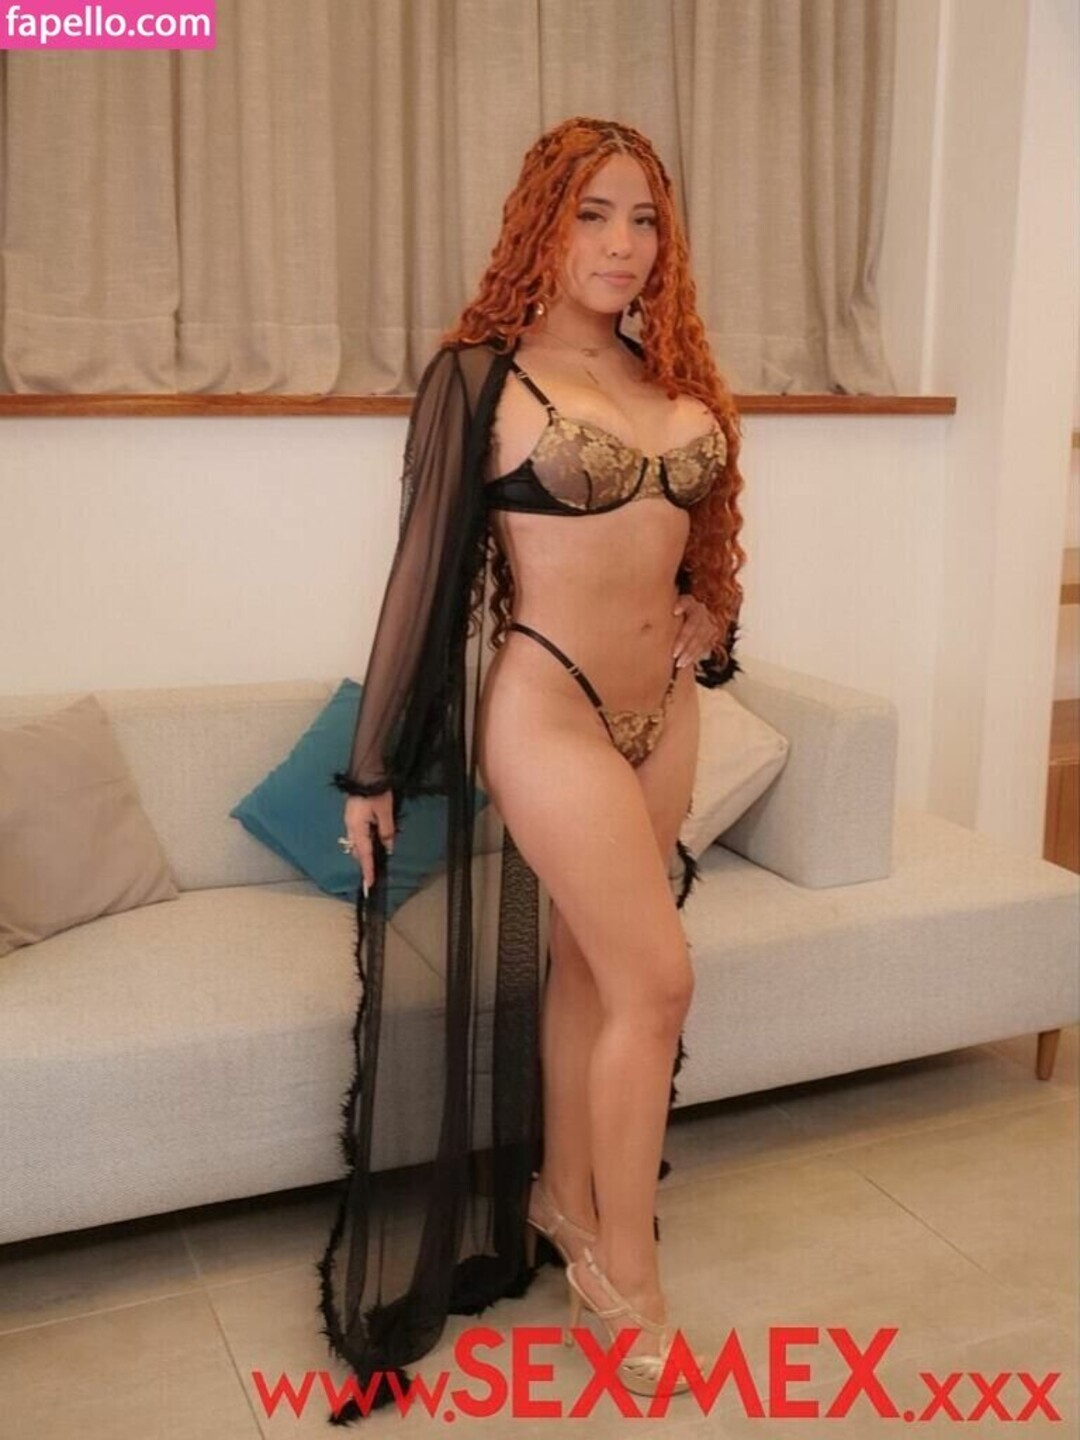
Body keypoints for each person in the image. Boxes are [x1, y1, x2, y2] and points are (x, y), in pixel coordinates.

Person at [316, 115, 746, 1421]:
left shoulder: (668, 371)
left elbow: (693, 538)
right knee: (660, 982)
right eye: (593, 215)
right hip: (549, 710)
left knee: (596, 971)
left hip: (662, 714)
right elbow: (421, 577)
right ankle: (625, 1278)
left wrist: (712, 615)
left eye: (644, 219)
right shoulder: (480, 379)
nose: (623, 244)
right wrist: (373, 771)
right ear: (541, 229)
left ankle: (563, 1193)